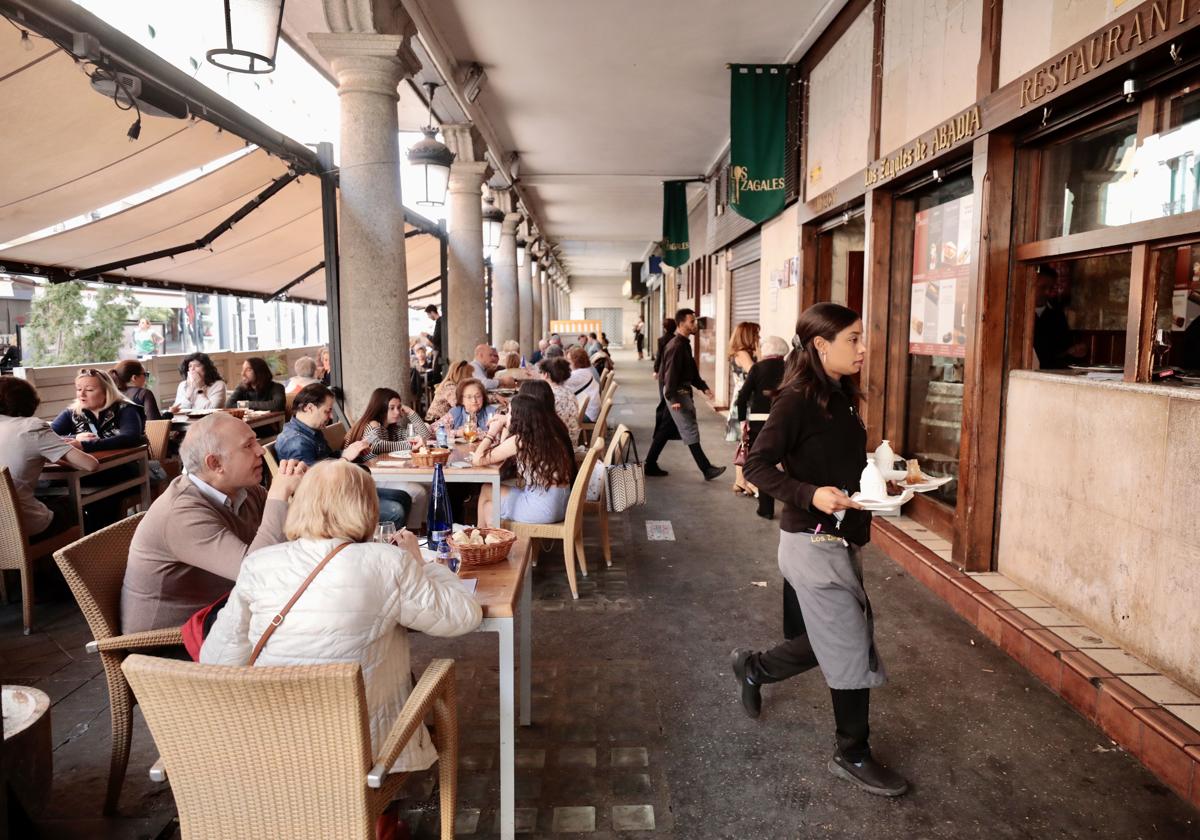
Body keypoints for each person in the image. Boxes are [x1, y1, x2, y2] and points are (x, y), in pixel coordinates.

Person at [200, 459, 482, 773]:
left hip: (275, 754)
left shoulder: (258, 564)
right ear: (366, 506)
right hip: (361, 754)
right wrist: (422, 564)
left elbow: (217, 660)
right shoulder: (387, 562)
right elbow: (463, 616)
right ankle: (380, 814)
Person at [732, 302, 907, 798]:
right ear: (821, 345)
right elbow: (757, 465)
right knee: (849, 641)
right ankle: (852, 752)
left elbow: (838, 456)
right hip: (810, 541)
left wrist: (882, 477)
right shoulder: (797, 399)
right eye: (853, 339)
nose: (863, 348)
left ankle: (753, 667)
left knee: (833, 636)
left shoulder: (840, 394)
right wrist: (809, 493)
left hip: (838, 537)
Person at [121, 413, 306, 634]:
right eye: (248, 446)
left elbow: (292, 534)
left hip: (226, 614)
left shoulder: (244, 489)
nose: (261, 450)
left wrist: (304, 493)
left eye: (255, 441)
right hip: (173, 641)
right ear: (215, 463)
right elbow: (255, 571)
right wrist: (279, 496)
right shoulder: (181, 513)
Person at [275, 384, 415, 533]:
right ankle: (377, 546)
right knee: (396, 510)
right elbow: (313, 486)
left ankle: (391, 542)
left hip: (339, 489)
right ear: (309, 408)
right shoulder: (295, 441)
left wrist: (348, 452)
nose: (330, 416)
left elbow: (326, 460)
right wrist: (345, 459)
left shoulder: (311, 431)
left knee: (403, 497)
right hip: (325, 503)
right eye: (327, 411)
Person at [0, 376, 98, 538]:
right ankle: (82, 558)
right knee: (71, 504)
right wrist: (59, 449)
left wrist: (54, 451)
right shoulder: (31, 427)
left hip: (4, 541)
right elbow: (90, 465)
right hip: (20, 527)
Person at [644, 309, 724, 481]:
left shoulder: (683, 344)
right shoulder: (677, 346)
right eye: (691, 321)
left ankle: (649, 464)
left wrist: (703, 386)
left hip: (678, 392)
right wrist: (672, 398)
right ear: (681, 324)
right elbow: (670, 374)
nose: (695, 324)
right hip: (677, 394)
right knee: (689, 428)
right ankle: (706, 468)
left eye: (694, 321)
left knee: (665, 430)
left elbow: (691, 371)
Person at [472, 393, 576, 525]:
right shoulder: (547, 434)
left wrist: (491, 433)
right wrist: (506, 426)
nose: (506, 416)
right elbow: (503, 452)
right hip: (561, 504)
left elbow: (478, 459)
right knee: (487, 489)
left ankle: (483, 541)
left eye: (509, 412)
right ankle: (481, 539)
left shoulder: (520, 440)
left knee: (488, 507)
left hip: (542, 509)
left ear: (518, 418)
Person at [346, 388, 431, 529]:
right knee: (419, 492)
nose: (397, 412)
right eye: (391, 408)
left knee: (429, 483)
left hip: (386, 473)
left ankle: (421, 529)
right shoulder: (373, 425)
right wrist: (409, 444)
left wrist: (411, 412)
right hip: (370, 476)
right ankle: (413, 533)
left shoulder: (392, 429)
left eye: (399, 407)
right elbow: (377, 445)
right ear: (380, 408)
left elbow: (425, 435)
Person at [735, 336, 788, 520]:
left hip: (759, 423)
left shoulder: (758, 368)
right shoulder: (790, 368)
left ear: (765, 351)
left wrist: (743, 421)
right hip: (785, 421)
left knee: (764, 463)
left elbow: (742, 398)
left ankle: (766, 509)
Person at [51, 368, 146, 452]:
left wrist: (84, 445)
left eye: (89, 390)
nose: (82, 394)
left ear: (106, 392)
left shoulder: (126, 409)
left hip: (124, 465)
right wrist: (76, 437)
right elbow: (45, 437)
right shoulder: (72, 412)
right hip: (86, 467)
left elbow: (130, 438)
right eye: (79, 389)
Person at [728, 322, 761, 496]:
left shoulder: (738, 352)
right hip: (746, 402)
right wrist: (760, 352)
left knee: (744, 443)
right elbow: (757, 372)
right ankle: (746, 482)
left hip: (742, 400)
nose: (759, 338)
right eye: (756, 334)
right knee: (747, 442)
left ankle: (740, 482)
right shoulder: (742, 353)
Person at [537, 356, 581, 444]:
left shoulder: (549, 395)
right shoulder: (569, 391)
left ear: (546, 375)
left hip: (559, 445)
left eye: (541, 373)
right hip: (571, 439)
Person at [566, 347, 601, 422]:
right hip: (590, 410)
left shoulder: (580, 373)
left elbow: (559, 381)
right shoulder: (585, 370)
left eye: (569, 360)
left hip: (587, 414)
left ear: (576, 361)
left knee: (559, 416)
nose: (567, 362)